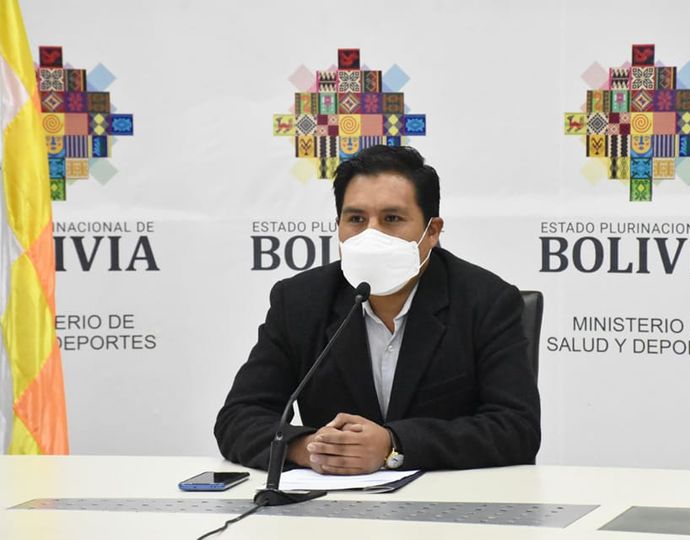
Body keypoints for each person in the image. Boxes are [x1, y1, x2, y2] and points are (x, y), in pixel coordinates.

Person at [214, 145, 541, 474]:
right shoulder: (300, 301)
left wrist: (393, 445)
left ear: (432, 231)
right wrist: (310, 449)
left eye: (392, 219)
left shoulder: (486, 301)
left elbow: (517, 428)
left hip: (449, 497)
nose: (371, 235)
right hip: (333, 499)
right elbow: (238, 418)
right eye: (356, 219)